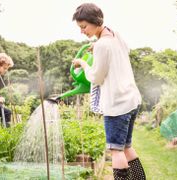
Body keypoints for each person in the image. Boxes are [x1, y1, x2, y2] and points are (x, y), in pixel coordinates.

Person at [72, 3, 146, 180]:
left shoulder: (102, 45)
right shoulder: (114, 34)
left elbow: (96, 77)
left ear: (95, 21)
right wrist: (97, 47)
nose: (82, 31)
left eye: (84, 27)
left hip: (117, 104)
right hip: (131, 99)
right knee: (127, 146)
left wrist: (82, 63)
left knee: (116, 150)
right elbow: (119, 52)